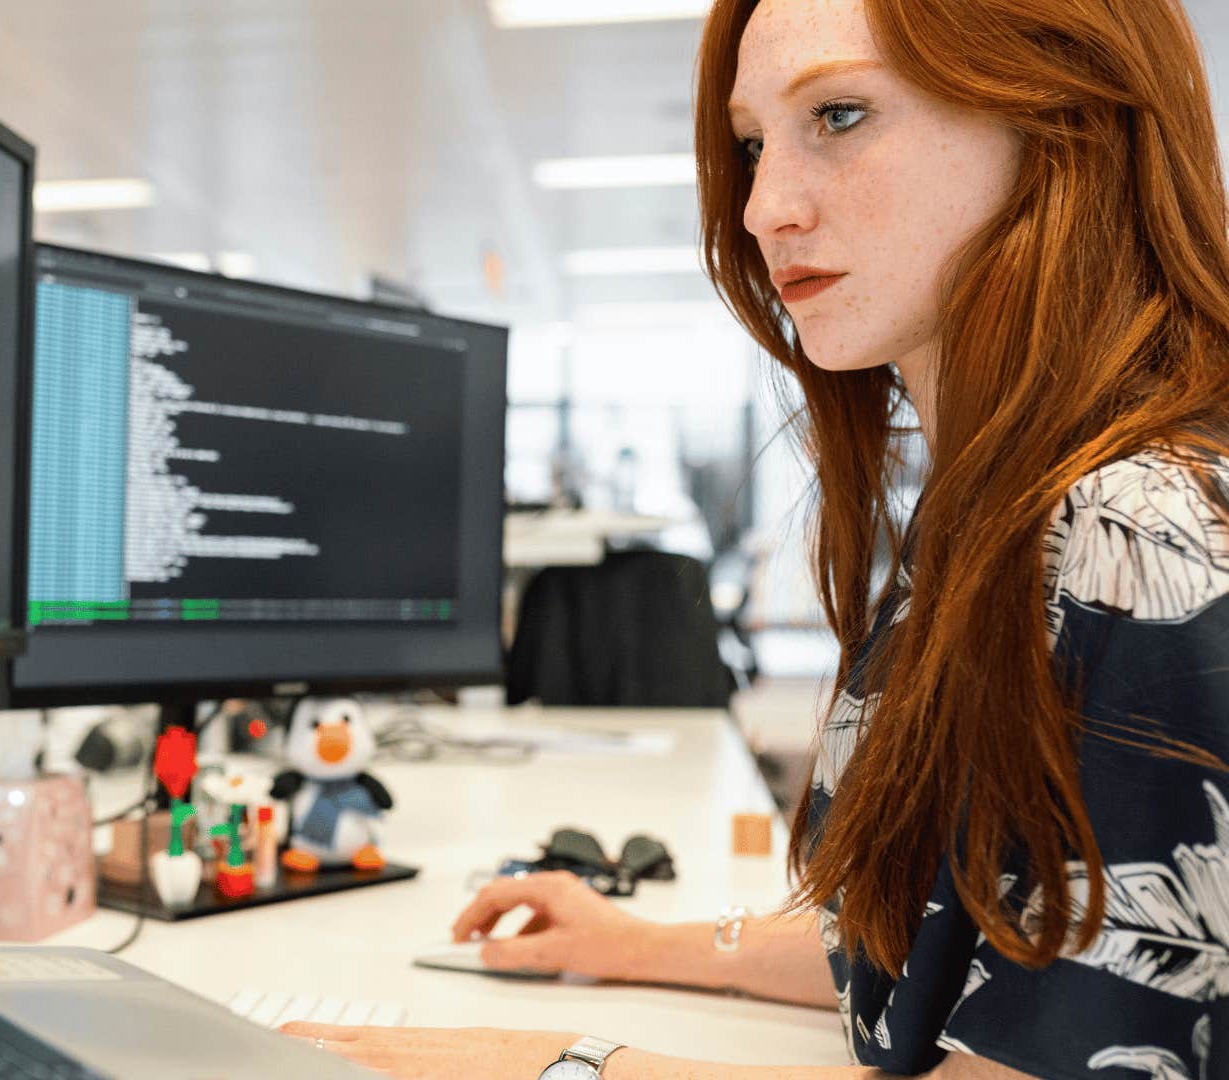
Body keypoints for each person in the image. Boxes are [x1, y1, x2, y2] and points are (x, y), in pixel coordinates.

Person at [285, 0, 1229, 1075]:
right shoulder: (999, 512)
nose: (761, 207)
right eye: (750, 145)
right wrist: (635, 944)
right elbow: (949, 949)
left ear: (1061, 119)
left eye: (838, 114)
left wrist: (558, 1065)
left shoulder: (1146, 536)